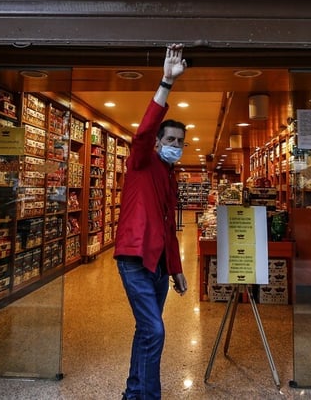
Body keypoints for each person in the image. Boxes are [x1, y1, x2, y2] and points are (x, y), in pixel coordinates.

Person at [114, 43, 190, 400]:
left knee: (146, 330)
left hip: (158, 266)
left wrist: (176, 270)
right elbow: (143, 132)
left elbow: (169, 228)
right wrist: (166, 82)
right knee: (155, 331)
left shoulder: (171, 177)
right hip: (135, 259)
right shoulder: (141, 163)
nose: (175, 144)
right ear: (158, 143)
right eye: (170, 139)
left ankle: (134, 393)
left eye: (180, 142)